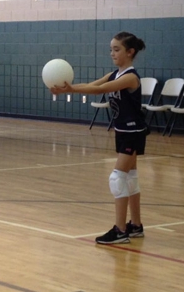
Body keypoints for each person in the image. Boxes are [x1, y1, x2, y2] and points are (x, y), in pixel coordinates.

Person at [50, 32, 147, 244]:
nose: (112, 53)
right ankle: (136, 225)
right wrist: (66, 89)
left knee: (117, 178)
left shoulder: (130, 77)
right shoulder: (115, 74)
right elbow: (94, 85)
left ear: (130, 52)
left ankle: (120, 230)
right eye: (111, 49)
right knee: (130, 178)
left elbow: (101, 90)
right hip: (123, 131)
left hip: (133, 132)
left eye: (117, 49)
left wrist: (71, 89)